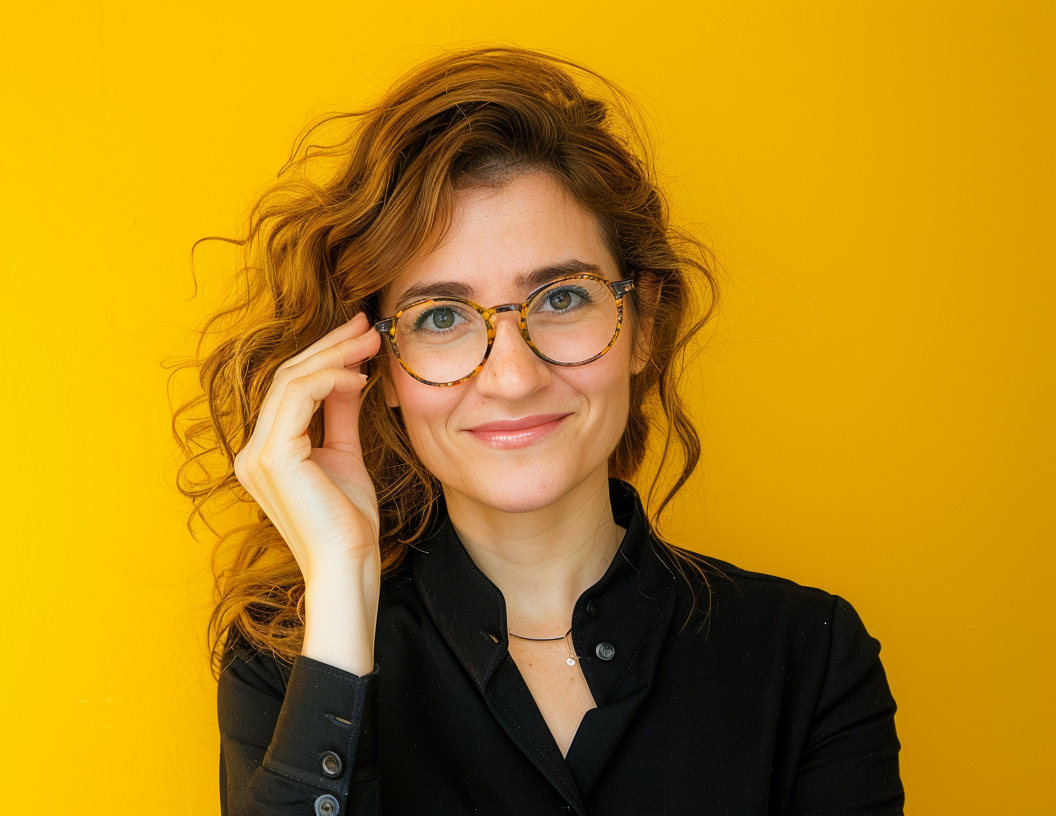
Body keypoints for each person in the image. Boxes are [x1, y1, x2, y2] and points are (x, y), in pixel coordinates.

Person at [171, 45, 903, 815]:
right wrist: (342, 580)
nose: (513, 377)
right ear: (378, 366)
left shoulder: (809, 654)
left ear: (642, 322)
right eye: (442, 317)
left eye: (561, 299)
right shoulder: (286, 664)